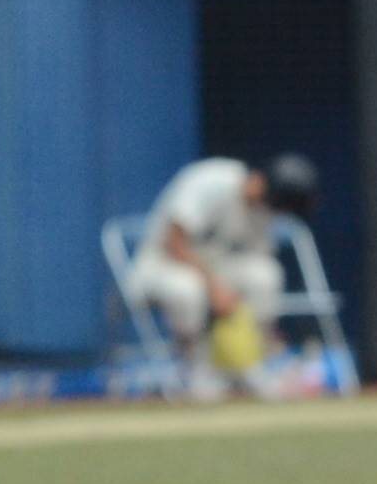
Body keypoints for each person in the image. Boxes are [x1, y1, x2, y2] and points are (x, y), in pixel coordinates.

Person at [124, 152, 316, 398]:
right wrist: (214, 286)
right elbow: (173, 243)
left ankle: (251, 366)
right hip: (161, 264)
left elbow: (256, 257)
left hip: (214, 268)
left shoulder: (264, 211)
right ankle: (194, 369)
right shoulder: (214, 181)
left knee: (264, 276)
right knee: (187, 289)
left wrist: (269, 332)